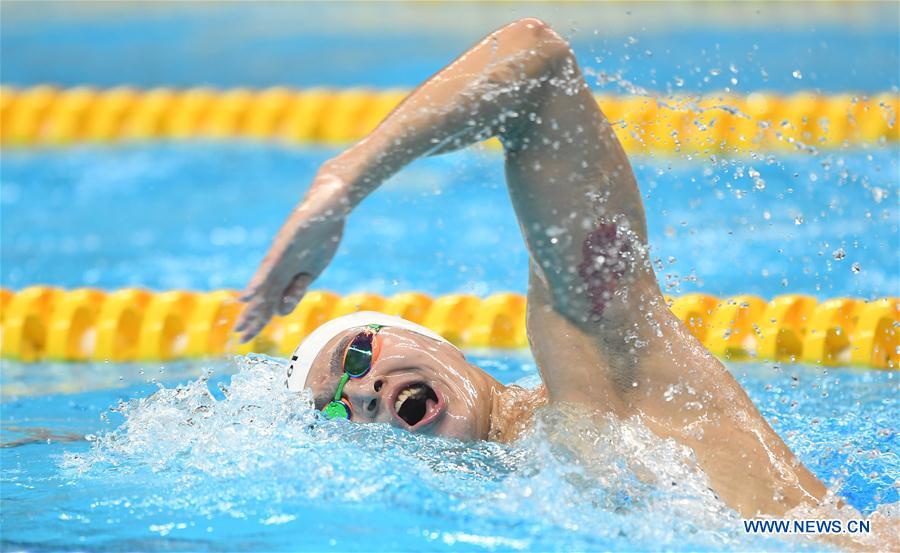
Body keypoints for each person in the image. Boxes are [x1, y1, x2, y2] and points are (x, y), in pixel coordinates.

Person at [234, 18, 827, 518]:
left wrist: (342, 184)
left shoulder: (607, 377)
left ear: (428, 339)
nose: (362, 392)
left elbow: (537, 68)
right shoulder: (514, 499)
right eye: (336, 409)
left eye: (356, 356)